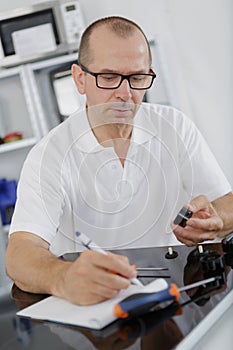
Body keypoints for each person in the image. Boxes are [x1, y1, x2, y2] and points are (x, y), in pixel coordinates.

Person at [6, 16, 233, 306]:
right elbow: (20, 253)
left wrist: (216, 219)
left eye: (137, 78)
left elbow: (226, 202)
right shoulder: (49, 154)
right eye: (109, 77)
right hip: (95, 308)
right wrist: (64, 277)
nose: (125, 94)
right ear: (80, 79)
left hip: (176, 294)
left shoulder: (175, 125)